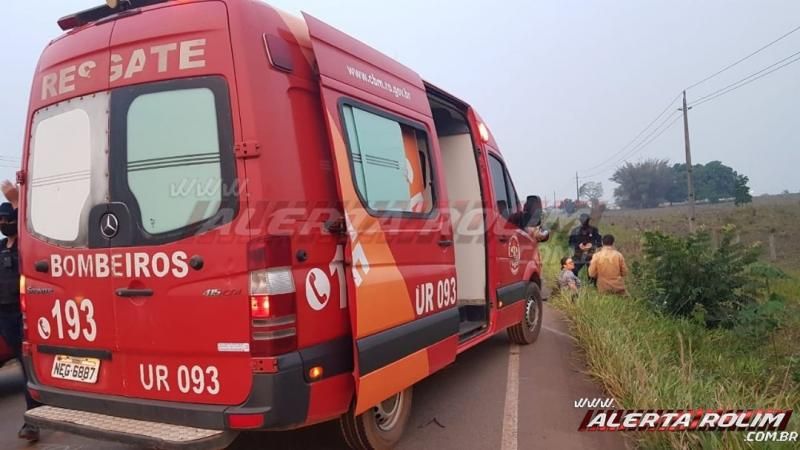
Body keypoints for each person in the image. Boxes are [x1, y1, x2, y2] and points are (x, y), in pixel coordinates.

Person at [0, 181, 41, 441]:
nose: (5, 222)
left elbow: (24, 220)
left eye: (8, 218)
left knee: (28, 368)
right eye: (1, 219)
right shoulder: (1, 247)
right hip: (3, 315)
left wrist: (16, 200)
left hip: (22, 313)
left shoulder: (26, 245)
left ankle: (32, 420)